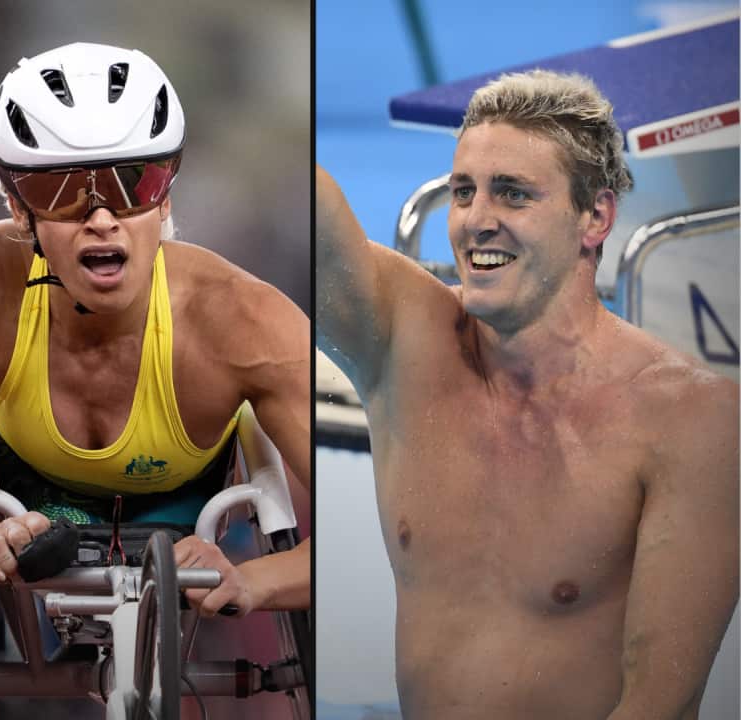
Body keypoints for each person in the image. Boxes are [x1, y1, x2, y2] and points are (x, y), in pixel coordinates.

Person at [316, 69, 738, 719]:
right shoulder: (405, 345)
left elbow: (659, 703)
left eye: (512, 194)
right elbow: (312, 215)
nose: (476, 221)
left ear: (595, 217)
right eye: (463, 192)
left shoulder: (689, 420)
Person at [0, 42, 311, 618]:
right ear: (19, 209)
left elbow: (364, 530)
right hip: (20, 509)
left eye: (134, 183)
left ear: (165, 199)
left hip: (185, 516)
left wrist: (254, 581)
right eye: (62, 192)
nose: (102, 218)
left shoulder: (244, 319)